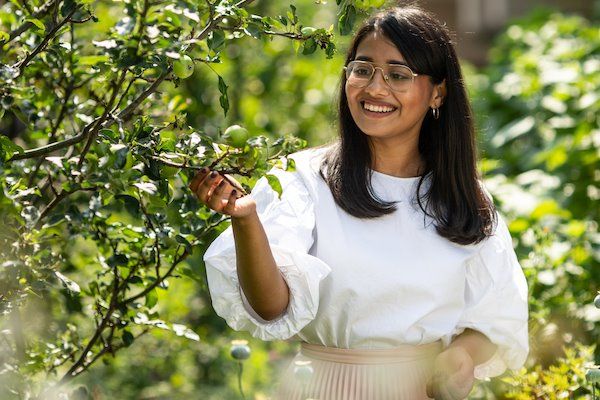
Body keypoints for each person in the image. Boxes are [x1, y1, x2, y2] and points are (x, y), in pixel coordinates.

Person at [189, 4, 529, 400]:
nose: (375, 89)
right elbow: (271, 307)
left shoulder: (464, 198)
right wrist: (247, 222)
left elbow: (493, 315)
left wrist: (461, 355)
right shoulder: (303, 179)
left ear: (438, 92)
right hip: (323, 388)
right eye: (363, 69)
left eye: (398, 75)